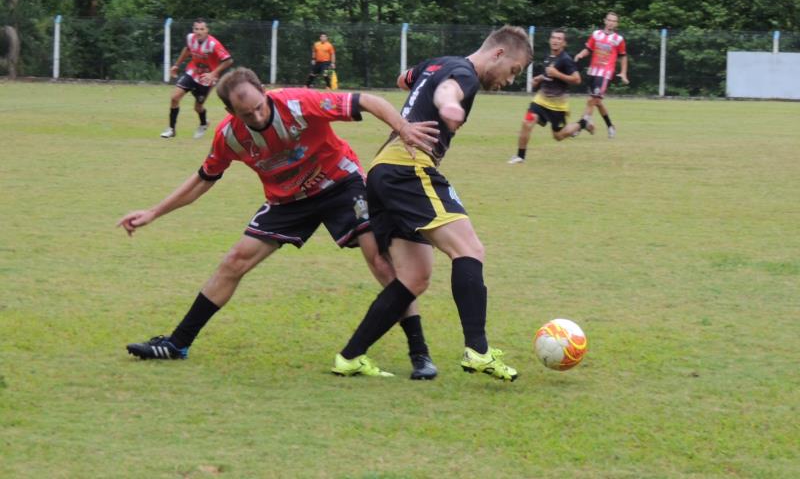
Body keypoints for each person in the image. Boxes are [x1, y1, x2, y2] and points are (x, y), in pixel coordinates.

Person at [121, 67, 442, 380]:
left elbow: (367, 101)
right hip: (288, 201)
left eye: (260, 107)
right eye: (247, 114)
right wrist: (153, 212)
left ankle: (420, 353)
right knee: (234, 261)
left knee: (380, 262)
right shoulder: (230, 136)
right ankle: (178, 343)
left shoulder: (297, 103)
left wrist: (403, 128)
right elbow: (203, 180)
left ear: (265, 92)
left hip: (341, 184)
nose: (258, 117)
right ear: (230, 111)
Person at [331, 25, 532, 381]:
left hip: (382, 171)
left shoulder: (441, 62)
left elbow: (404, 78)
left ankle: (350, 356)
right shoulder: (464, 74)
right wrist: (449, 104)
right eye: (514, 70)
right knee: (469, 249)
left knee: (414, 277)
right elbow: (448, 89)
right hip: (408, 168)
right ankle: (478, 351)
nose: (510, 79)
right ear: (498, 53)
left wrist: (423, 90)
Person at [507, 28, 594, 164]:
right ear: (550, 40)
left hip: (557, 106)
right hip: (540, 101)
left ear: (564, 43)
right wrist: (539, 78)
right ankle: (520, 156)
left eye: (559, 39)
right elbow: (549, 75)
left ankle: (583, 123)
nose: (556, 40)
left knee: (558, 136)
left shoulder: (566, 60)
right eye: (554, 37)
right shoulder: (549, 57)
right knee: (527, 121)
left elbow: (577, 79)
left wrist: (557, 74)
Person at [161, 18, 234, 139]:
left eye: (202, 29)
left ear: (207, 30)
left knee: (198, 107)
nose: (199, 32)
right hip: (192, 73)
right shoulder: (190, 38)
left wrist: (212, 74)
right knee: (174, 98)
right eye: (196, 29)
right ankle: (171, 129)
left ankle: (203, 124)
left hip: (206, 79)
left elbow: (228, 60)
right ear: (193, 30)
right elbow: (187, 50)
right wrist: (176, 65)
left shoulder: (213, 44)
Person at [574, 11, 629, 138]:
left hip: (605, 74)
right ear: (605, 21)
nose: (611, 23)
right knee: (597, 102)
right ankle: (610, 126)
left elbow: (623, 56)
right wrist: (580, 54)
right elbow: (588, 49)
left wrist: (623, 72)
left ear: (617, 24)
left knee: (591, 100)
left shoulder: (618, 39)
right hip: (593, 72)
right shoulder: (596, 34)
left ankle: (580, 125)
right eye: (609, 20)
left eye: (614, 21)